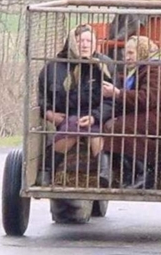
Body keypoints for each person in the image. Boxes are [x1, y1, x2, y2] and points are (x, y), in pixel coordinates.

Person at [38, 25, 113, 185]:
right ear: (71, 42)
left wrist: (95, 117)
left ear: (95, 44)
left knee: (95, 132)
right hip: (67, 114)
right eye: (80, 41)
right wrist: (49, 114)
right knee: (72, 126)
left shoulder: (104, 65)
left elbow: (112, 100)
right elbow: (43, 96)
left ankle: (104, 173)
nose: (85, 45)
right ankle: (47, 170)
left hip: (96, 115)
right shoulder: (54, 66)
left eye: (89, 41)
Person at [102, 36, 161, 189]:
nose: (126, 57)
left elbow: (149, 98)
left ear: (142, 52)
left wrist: (118, 93)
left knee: (120, 127)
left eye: (131, 53)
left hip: (159, 115)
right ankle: (124, 172)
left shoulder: (158, 68)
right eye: (124, 53)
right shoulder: (142, 67)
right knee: (112, 124)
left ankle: (145, 172)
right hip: (146, 112)